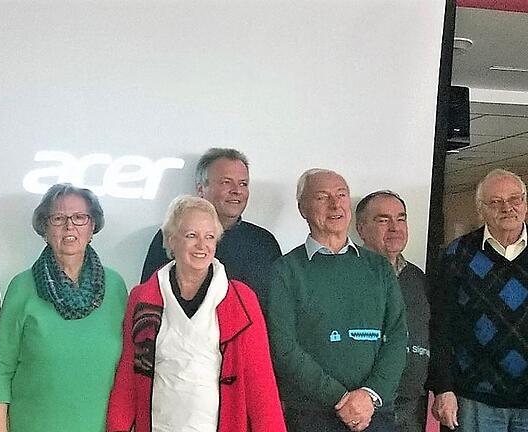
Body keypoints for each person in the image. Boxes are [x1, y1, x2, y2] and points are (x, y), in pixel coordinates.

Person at [108, 195, 287, 432]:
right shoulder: (142, 298)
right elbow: (128, 378)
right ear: (171, 240)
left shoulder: (241, 299)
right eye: (191, 236)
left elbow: (261, 386)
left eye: (209, 237)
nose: (202, 246)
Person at [263, 168, 407, 432]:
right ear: (302, 208)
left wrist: (369, 395)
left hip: (376, 413)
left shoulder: (379, 268)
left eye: (342, 195)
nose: (335, 204)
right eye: (322, 197)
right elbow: (283, 347)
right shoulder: (285, 270)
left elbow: (397, 336)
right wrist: (340, 399)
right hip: (312, 415)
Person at [0, 183, 127, 432]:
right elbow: (0, 368)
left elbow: (127, 370)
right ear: (45, 228)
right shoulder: (22, 286)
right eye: (58, 218)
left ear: (93, 226)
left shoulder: (115, 287)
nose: (69, 226)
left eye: (80, 217)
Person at [429, 168, 528, 432]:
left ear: (525, 203)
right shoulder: (456, 254)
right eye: (495, 202)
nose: (507, 208)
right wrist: (443, 387)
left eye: (515, 199)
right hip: (474, 398)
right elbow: (440, 326)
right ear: (480, 210)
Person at [140, 148, 282, 298]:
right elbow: (147, 300)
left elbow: (275, 305)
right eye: (226, 182)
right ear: (201, 189)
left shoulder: (264, 241)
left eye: (243, 184)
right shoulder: (173, 235)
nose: (236, 191)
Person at [356, 190, 430, 432]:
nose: (395, 227)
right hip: (364, 410)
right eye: (383, 219)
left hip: (410, 411)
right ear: (360, 229)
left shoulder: (417, 278)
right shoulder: (347, 275)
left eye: (401, 218)